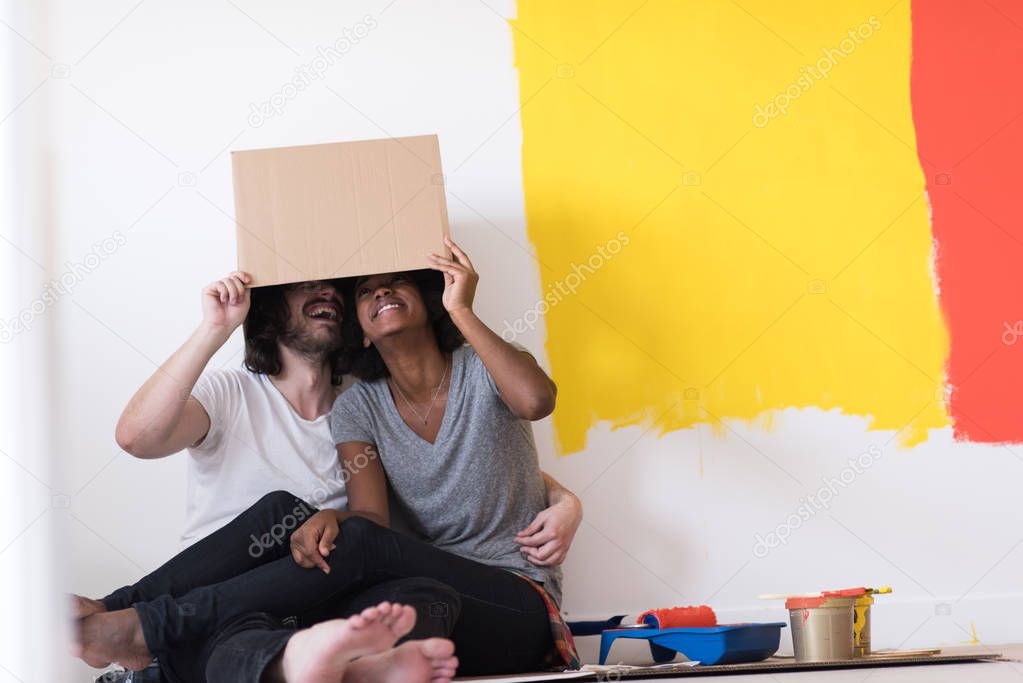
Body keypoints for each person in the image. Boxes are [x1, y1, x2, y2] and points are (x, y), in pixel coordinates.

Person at [74, 239, 581, 679]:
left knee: (384, 573)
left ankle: (141, 627)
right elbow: (137, 436)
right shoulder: (349, 404)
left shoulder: (467, 370)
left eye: (395, 282)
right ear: (357, 330)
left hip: (496, 591)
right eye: (365, 290)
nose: (379, 292)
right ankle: (120, 614)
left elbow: (530, 410)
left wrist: (565, 498)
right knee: (294, 523)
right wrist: (329, 518)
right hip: (288, 602)